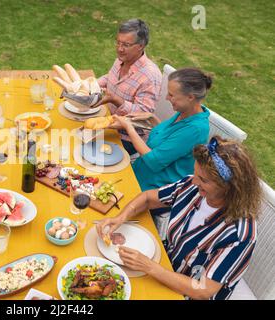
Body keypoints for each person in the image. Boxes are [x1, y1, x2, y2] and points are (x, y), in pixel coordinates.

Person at [96, 136, 262, 300]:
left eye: (203, 180)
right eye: (195, 173)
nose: (194, 181)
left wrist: (148, 266)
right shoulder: (191, 185)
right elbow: (147, 198)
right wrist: (120, 218)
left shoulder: (240, 234)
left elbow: (202, 290)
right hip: (163, 264)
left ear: (230, 187)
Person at [111, 67, 212, 191]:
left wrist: (129, 127)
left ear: (190, 97)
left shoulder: (195, 129)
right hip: (138, 172)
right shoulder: (186, 112)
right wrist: (152, 119)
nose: (166, 98)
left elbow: (154, 161)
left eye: (171, 95)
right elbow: (169, 138)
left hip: (152, 189)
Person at [94, 19, 162, 154]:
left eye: (125, 44)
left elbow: (144, 115)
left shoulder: (150, 76)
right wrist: (90, 84)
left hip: (128, 137)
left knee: (83, 148)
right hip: (107, 119)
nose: (119, 49)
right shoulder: (122, 59)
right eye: (118, 42)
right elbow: (110, 77)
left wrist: (115, 99)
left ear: (141, 46)